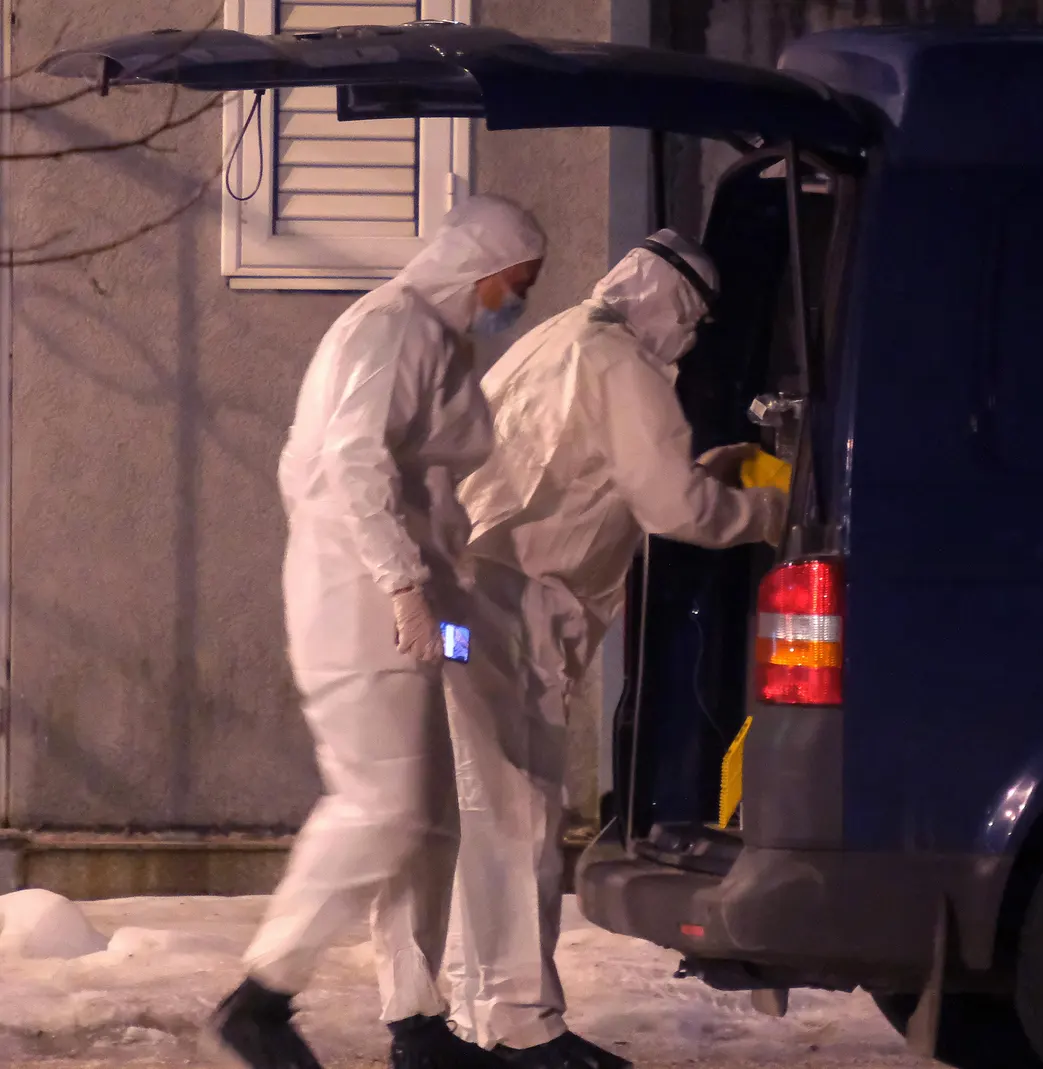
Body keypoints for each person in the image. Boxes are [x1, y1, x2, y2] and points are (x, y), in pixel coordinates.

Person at [440, 229, 787, 1069]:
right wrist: (765, 515)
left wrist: (701, 467)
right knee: (518, 813)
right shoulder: (624, 365)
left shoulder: (560, 337)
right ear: (670, 302)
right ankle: (526, 1025)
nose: (694, 338)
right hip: (519, 605)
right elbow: (676, 510)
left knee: (483, 814)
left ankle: (468, 1010)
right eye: (694, 320)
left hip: (464, 595)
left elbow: (599, 471)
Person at [214, 195, 548, 1069]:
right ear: (482, 266)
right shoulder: (394, 326)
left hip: (412, 607)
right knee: (382, 804)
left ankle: (416, 1019)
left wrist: (468, 635)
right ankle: (261, 998)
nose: (521, 298)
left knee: (425, 813)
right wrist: (403, 584)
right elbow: (348, 459)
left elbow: (425, 494)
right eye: (519, 281)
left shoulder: (438, 339)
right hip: (360, 598)